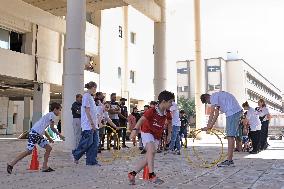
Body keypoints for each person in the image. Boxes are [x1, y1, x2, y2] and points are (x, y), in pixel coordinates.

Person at [128, 90, 174, 184]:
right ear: (163, 101)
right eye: (170, 102)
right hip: (147, 132)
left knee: (148, 157)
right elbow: (141, 120)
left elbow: (169, 123)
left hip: (156, 136)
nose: (171, 104)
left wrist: (169, 135)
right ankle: (152, 175)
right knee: (151, 151)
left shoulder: (167, 113)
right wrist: (134, 131)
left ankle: (132, 174)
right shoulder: (152, 111)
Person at [7, 102, 65, 174]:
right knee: (28, 151)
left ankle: (45, 167)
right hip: (34, 134)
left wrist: (49, 138)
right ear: (55, 109)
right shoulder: (52, 115)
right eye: (59, 110)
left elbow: (43, 129)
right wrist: (60, 135)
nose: (60, 112)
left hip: (38, 135)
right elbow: (52, 128)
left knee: (49, 148)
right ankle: (11, 164)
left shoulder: (48, 115)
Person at [200, 91, 242, 167]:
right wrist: (210, 126)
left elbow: (212, 113)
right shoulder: (218, 98)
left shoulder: (213, 97)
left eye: (208, 102)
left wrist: (208, 126)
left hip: (232, 112)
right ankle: (229, 160)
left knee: (230, 136)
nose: (209, 103)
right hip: (233, 112)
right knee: (230, 136)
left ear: (207, 98)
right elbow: (216, 114)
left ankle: (229, 161)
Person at [72, 81, 100, 166]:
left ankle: (91, 161)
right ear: (93, 87)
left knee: (95, 143)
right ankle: (76, 154)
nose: (95, 90)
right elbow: (87, 111)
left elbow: (93, 111)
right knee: (86, 142)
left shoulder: (90, 97)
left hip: (94, 125)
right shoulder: (86, 96)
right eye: (95, 88)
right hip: (88, 125)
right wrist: (91, 124)